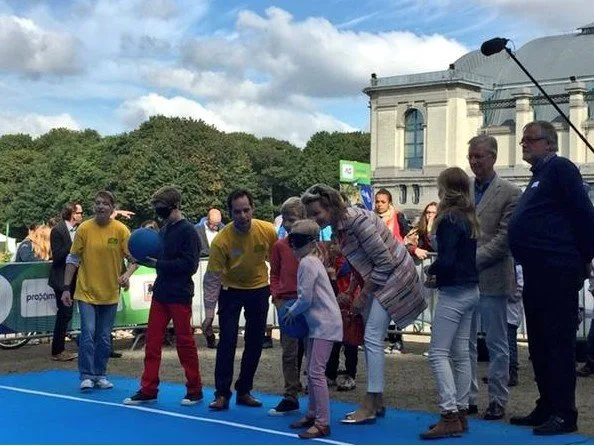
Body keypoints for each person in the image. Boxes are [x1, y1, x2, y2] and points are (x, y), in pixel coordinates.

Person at [301, 184, 425, 425]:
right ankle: (376, 401)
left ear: (331, 207)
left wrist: (362, 295)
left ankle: (370, 402)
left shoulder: (357, 221)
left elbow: (385, 262)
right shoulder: (339, 227)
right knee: (372, 339)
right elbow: (360, 262)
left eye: (317, 214)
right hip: (382, 278)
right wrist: (350, 291)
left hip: (394, 277)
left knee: (371, 337)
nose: (314, 220)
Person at [508, 121, 594, 435]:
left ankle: (564, 412)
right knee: (540, 343)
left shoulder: (561, 170)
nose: (524, 145)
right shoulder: (539, 177)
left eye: (530, 140)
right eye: (522, 140)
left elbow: (585, 215)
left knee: (558, 343)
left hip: (557, 269)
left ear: (550, 143)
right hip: (535, 271)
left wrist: (584, 258)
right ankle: (546, 404)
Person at [124, 186, 203, 406]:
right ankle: (148, 388)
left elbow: (190, 265)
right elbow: (155, 255)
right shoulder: (164, 230)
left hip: (179, 293)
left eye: (161, 207)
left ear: (175, 205)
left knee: (185, 342)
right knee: (152, 342)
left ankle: (194, 389)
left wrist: (159, 264)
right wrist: (140, 258)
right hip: (161, 292)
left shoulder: (188, 231)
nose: (159, 211)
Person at [201, 189, 277, 411]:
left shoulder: (267, 231)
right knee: (227, 342)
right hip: (230, 291)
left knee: (254, 342)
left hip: (259, 290)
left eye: (246, 210)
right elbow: (212, 278)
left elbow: (278, 262)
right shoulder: (222, 240)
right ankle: (222, 394)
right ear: (230, 213)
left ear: (252, 208)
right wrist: (208, 312)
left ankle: (244, 391)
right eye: (237, 212)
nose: (243, 216)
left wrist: (277, 290)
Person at [419, 167, 480, 440]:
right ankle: (462, 410)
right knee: (461, 353)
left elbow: (448, 259)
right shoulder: (468, 217)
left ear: (445, 189)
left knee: (438, 353)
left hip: (454, 291)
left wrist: (432, 273)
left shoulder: (449, 219)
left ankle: (449, 413)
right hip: (471, 288)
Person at [466, 134, 522, 420]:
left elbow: (505, 238)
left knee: (497, 343)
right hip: (464, 281)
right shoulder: (462, 190)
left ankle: (498, 399)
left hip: (494, 277)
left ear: (493, 157)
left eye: (479, 157)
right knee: (466, 342)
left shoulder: (510, 192)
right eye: (471, 157)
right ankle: (469, 397)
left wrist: (470, 261)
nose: (474, 162)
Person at [61, 191, 137, 391]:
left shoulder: (121, 230)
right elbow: (73, 259)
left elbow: (134, 260)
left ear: (113, 208)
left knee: (104, 336)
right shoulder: (84, 229)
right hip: (85, 292)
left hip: (110, 293)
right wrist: (66, 288)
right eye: (97, 203)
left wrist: (127, 275)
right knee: (88, 333)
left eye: (105, 203)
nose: (101, 206)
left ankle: (100, 374)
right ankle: (86, 375)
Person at [283, 220, 343, 439]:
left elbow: (305, 298)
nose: (293, 245)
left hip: (324, 324)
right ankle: (312, 413)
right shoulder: (312, 260)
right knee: (312, 369)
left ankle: (322, 422)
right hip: (318, 323)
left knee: (316, 372)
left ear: (309, 242)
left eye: (296, 241)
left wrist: (292, 312)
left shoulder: (308, 263)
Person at [268, 197, 306, 416]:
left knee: (313, 352)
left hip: (309, 302)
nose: (289, 225)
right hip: (287, 302)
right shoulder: (280, 246)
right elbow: (274, 273)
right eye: (286, 221)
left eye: (292, 219)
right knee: (289, 352)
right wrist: (277, 298)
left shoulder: (314, 244)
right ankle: (291, 393)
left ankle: (316, 395)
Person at [374, 188, 410, 355]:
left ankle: (397, 340)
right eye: (377, 201)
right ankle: (381, 338)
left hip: (396, 263)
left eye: (383, 202)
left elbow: (408, 236)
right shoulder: (372, 217)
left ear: (389, 203)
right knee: (380, 304)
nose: (379, 205)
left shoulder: (398, 216)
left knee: (395, 303)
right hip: (378, 264)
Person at [48, 201, 84, 362]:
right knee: (64, 314)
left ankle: (59, 348)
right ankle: (57, 350)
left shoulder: (80, 230)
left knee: (66, 314)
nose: (82, 215)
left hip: (73, 279)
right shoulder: (58, 231)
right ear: (72, 214)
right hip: (60, 279)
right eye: (79, 213)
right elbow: (57, 256)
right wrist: (73, 245)